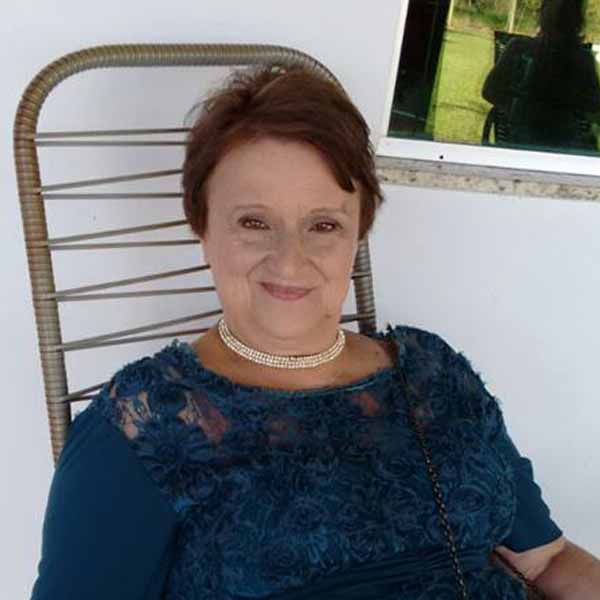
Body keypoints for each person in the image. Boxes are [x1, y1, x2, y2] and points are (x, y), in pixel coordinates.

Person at [30, 63, 600, 600]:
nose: (289, 260)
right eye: (254, 222)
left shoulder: (432, 375)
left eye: (323, 225)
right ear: (202, 227)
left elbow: (545, 560)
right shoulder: (144, 429)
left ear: (358, 233)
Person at [482, 0, 600, 152]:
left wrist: (515, 107)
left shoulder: (519, 48)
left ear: (541, 15)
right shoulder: (582, 59)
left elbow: (490, 91)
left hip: (520, 142)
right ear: (578, 21)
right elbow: (594, 107)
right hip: (565, 146)